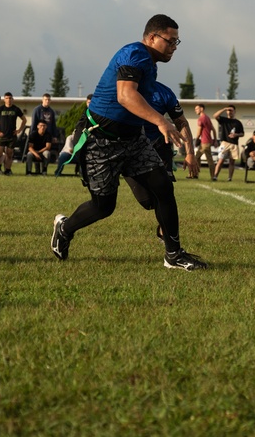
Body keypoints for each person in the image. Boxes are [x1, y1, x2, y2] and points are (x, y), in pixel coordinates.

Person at [51, 14, 207, 270]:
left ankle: (173, 255)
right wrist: (160, 121)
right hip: (101, 139)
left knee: (163, 188)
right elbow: (125, 96)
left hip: (133, 139)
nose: (174, 48)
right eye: (170, 41)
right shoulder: (134, 53)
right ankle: (65, 228)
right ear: (152, 37)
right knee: (103, 206)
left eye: (177, 43)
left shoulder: (151, 64)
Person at [124, 81, 199, 239]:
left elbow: (181, 122)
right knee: (147, 201)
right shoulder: (123, 89)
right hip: (131, 149)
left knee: (164, 192)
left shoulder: (164, 92)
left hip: (159, 146)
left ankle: (166, 233)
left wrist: (190, 153)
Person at [0, 92, 26, 176]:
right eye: (7, 98)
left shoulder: (16, 109)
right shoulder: (0, 109)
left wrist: (19, 130)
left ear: (12, 99)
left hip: (12, 136)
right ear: (4, 99)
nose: (8, 100)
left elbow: (24, 120)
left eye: (10, 98)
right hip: (2, 135)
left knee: (9, 154)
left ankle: (8, 170)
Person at [211, 105, 244, 182]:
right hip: (225, 143)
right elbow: (215, 116)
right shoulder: (224, 120)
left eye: (231, 110)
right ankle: (215, 176)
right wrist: (224, 109)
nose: (230, 112)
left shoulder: (238, 122)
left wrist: (236, 135)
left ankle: (229, 178)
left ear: (235, 112)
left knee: (232, 162)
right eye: (228, 110)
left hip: (234, 144)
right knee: (221, 160)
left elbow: (242, 133)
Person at [193, 103, 216, 179]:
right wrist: (215, 140)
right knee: (208, 159)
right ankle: (212, 176)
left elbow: (199, 131)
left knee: (196, 158)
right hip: (207, 141)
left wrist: (196, 139)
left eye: (197, 109)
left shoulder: (201, 118)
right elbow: (214, 130)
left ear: (201, 109)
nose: (195, 110)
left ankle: (194, 174)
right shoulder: (207, 118)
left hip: (204, 142)